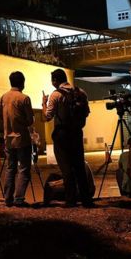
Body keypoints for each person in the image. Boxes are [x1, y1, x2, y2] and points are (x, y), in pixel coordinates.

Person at [41, 69, 94, 208]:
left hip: (62, 134)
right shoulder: (80, 92)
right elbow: (87, 113)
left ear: (55, 81)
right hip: (76, 133)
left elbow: (47, 117)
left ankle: (71, 200)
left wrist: (44, 103)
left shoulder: (56, 95)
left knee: (66, 168)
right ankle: (86, 199)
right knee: (79, 167)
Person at [0, 71, 35, 207]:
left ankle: (8, 199)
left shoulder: (4, 97)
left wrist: (4, 120)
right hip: (22, 139)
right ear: (22, 82)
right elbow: (29, 120)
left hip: (8, 140)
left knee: (10, 169)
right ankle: (19, 198)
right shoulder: (24, 98)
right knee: (23, 169)